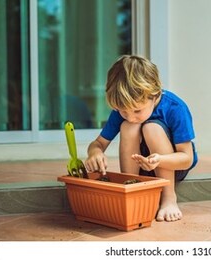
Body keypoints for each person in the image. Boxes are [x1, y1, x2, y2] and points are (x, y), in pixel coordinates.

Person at [85, 55, 198, 222]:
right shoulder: (124, 109)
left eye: (137, 111)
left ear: (155, 94)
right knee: (128, 127)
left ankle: (168, 198)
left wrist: (160, 160)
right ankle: (130, 187)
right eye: (123, 111)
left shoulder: (175, 108)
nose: (130, 116)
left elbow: (186, 159)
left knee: (151, 128)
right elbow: (98, 143)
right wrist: (95, 153)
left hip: (172, 166)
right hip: (142, 167)